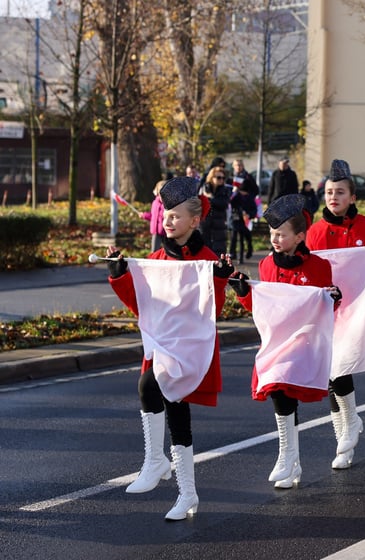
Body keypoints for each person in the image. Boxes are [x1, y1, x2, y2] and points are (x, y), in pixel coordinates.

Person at [106, 176, 232, 521]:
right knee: (163, 401)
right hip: (163, 345)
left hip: (191, 348)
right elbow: (142, 305)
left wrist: (220, 277)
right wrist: (120, 274)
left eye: (175, 216)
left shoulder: (207, 259)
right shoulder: (156, 258)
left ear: (194, 221)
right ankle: (178, 484)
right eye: (166, 215)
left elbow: (213, 310)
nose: (167, 221)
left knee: (166, 404)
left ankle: (166, 471)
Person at [229, 194, 342, 488]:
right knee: (279, 392)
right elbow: (264, 307)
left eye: (281, 234)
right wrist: (243, 291)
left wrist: (334, 299)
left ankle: (287, 456)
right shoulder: (266, 265)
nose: (275, 239)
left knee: (281, 389)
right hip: (277, 343)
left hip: (305, 343)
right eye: (272, 234)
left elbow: (324, 306)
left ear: (300, 236)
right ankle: (291, 460)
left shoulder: (319, 266)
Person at [306, 159, 365, 468]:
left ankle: (349, 427)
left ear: (352, 197)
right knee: (331, 372)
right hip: (328, 311)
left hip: (357, 310)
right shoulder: (314, 232)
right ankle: (344, 438)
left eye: (340, 192)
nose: (333, 197)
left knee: (338, 368)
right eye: (329, 192)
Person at [199, 165, 231, 257]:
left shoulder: (225, 190)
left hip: (219, 224)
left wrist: (210, 198)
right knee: (204, 251)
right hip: (205, 224)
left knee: (218, 252)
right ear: (211, 177)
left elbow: (223, 204)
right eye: (218, 177)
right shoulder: (204, 188)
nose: (221, 180)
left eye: (223, 178)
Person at [138, 180, 166, 253]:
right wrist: (144, 215)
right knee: (154, 251)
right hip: (156, 232)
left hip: (165, 231)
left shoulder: (167, 203)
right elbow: (153, 216)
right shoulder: (155, 203)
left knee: (167, 251)